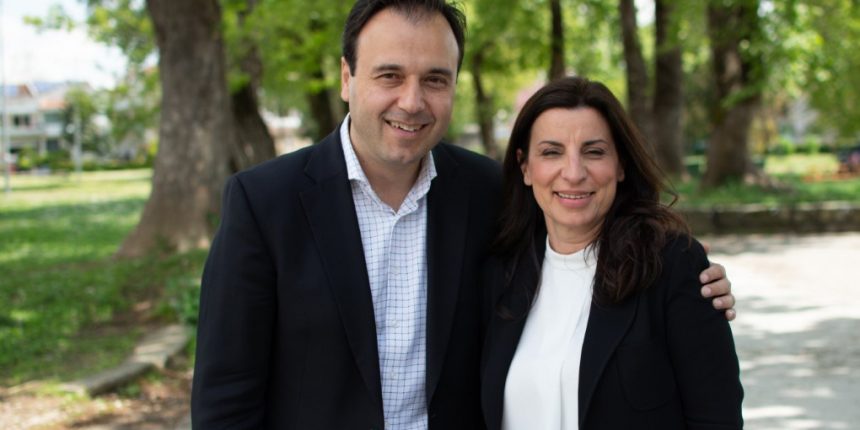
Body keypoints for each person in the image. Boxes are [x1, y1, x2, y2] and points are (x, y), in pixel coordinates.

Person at [191, 1, 736, 428]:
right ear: (346, 78)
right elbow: (226, 399)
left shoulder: (487, 193)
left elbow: (583, 233)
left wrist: (684, 279)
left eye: (435, 78)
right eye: (389, 76)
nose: (412, 101)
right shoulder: (264, 204)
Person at [480, 76, 743, 430]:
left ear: (621, 164)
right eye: (552, 152)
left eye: (594, 152)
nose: (574, 173)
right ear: (525, 167)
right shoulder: (500, 272)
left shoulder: (671, 265)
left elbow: (717, 419)